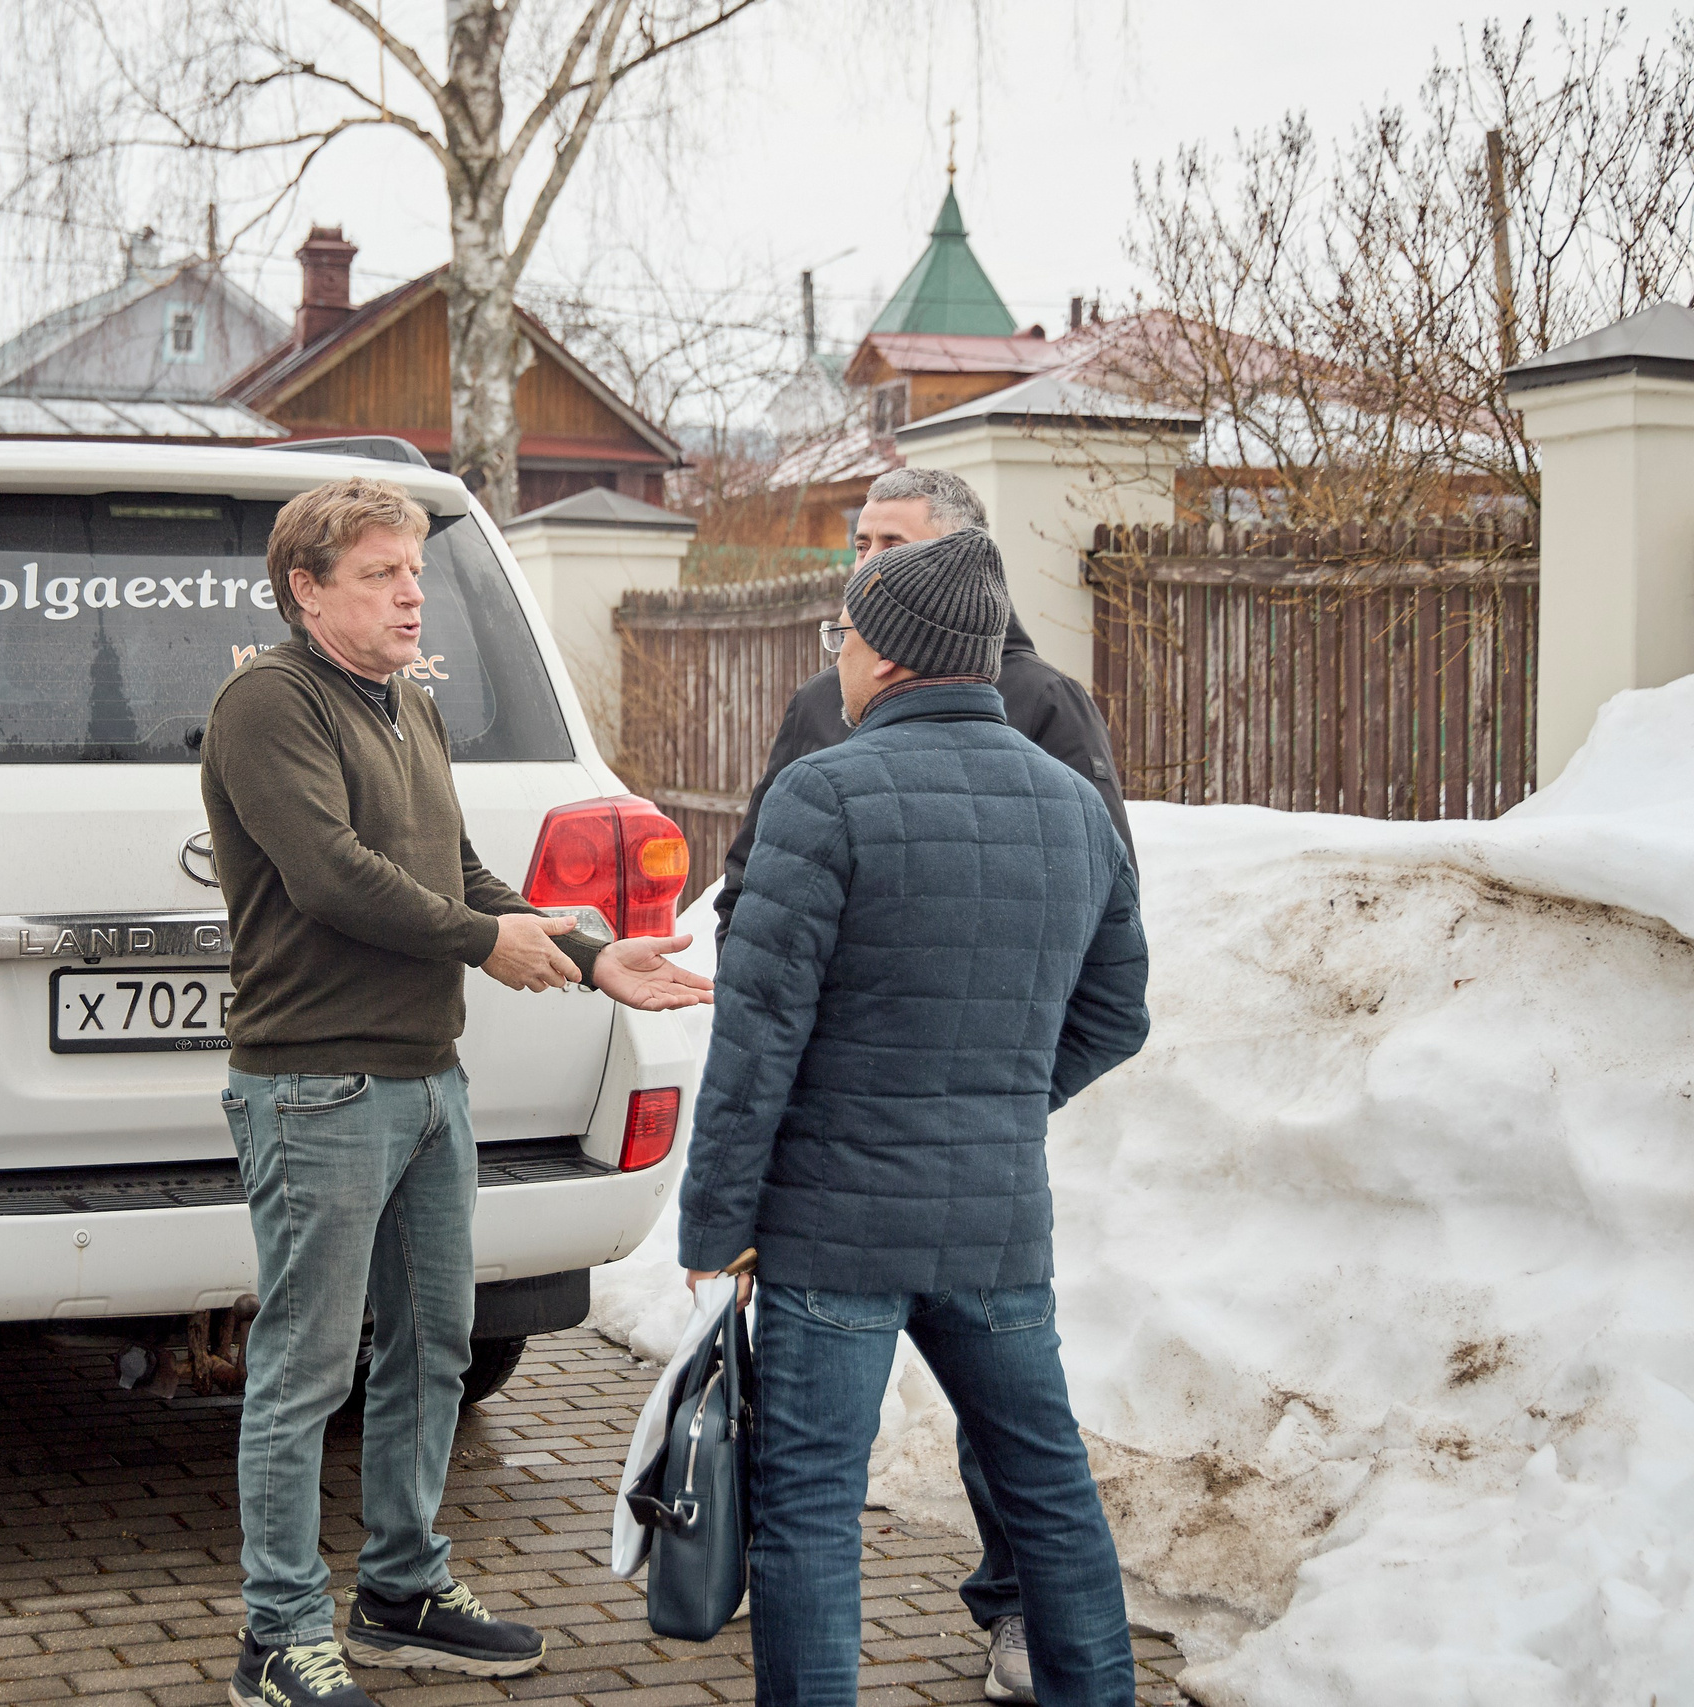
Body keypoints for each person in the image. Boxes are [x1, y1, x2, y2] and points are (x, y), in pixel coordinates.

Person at [200, 474, 713, 1707]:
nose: (409, 595)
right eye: (380, 574)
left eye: (415, 574)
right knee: (303, 1367)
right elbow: (334, 876)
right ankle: (275, 1635)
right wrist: (489, 948)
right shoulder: (267, 703)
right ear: (306, 589)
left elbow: (459, 869)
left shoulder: (403, 706)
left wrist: (588, 953)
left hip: (428, 1082)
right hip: (316, 1085)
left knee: (432, 1344)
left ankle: (402, 1588)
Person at [679, 527, 1150, 1707]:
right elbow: (1116, 1014)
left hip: (831, 1230)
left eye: (841, 632)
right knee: (1048, 1492)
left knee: (810, 1514)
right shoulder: (1074, 806)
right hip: (992, 1222)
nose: (834, 653)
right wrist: (986, 1106)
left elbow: (756, 1040)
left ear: (883, 653)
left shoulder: (822, 794)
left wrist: (711, 1227)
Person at [715, 466, 1133, 959]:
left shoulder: (1046, 699)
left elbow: (1104, 897)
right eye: (862, 544)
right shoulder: (820, 698)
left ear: (959, 558)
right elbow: (752, 877)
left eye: (893, 544)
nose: (868, 562)